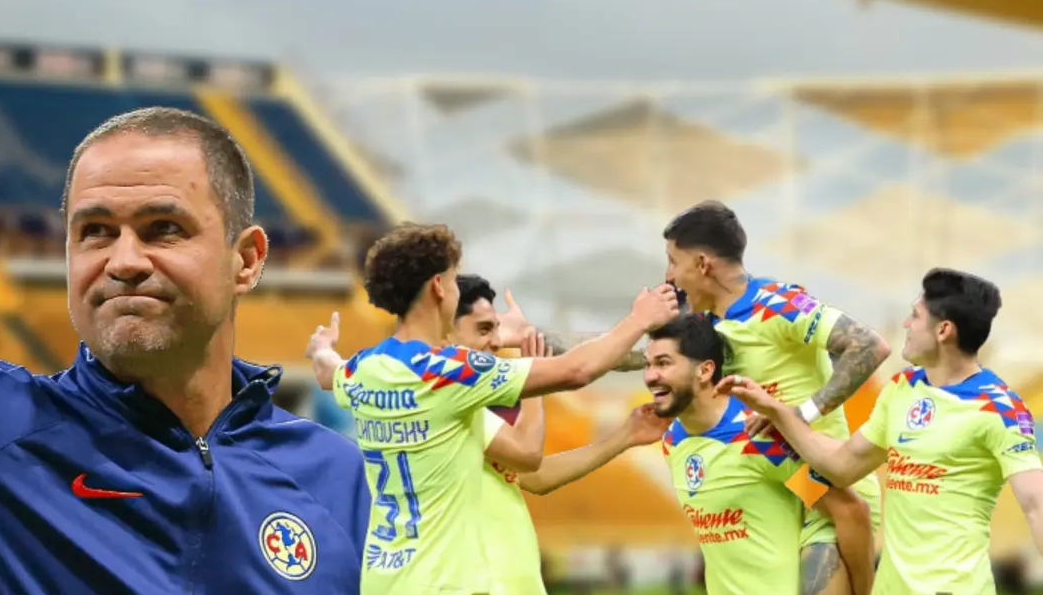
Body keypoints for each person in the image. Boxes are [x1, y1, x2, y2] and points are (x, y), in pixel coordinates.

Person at [0, 107, 370, 593]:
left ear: (248, 260)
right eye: (95, 232)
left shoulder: (345, 480)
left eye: (163, 228)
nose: (124, 261)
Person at [500, 201, 885, 594]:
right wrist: (528, 337)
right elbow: (617, 352)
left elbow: (870, 346)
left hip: (824, 489)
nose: (668, 275)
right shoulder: (703, 331)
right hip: (774, 493)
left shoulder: (777, 304)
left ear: (702, 264)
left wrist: (800, 415)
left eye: (673, 261)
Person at [305, 222, 680, 594]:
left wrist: (322, 347)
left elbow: (328, 371)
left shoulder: (362, 370)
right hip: (441, 583)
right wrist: (640, 319)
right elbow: (576, 370)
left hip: (384, 580)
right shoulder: (449, 372)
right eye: (452, 280)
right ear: (439, 286)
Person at [723, 268, 1043, 595]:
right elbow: (842, 466)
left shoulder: (1000, 408)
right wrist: (779, 413)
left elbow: (1036, 503)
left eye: (915, 316)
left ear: (944, 330)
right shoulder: (901, 388)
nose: (906, 324)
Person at [644, 313, 831, 595]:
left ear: (705, 371)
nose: (650, 376)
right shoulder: (673, 442)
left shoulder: (760, 437)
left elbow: (844, 510)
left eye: (663, 363)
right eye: (647, 365)